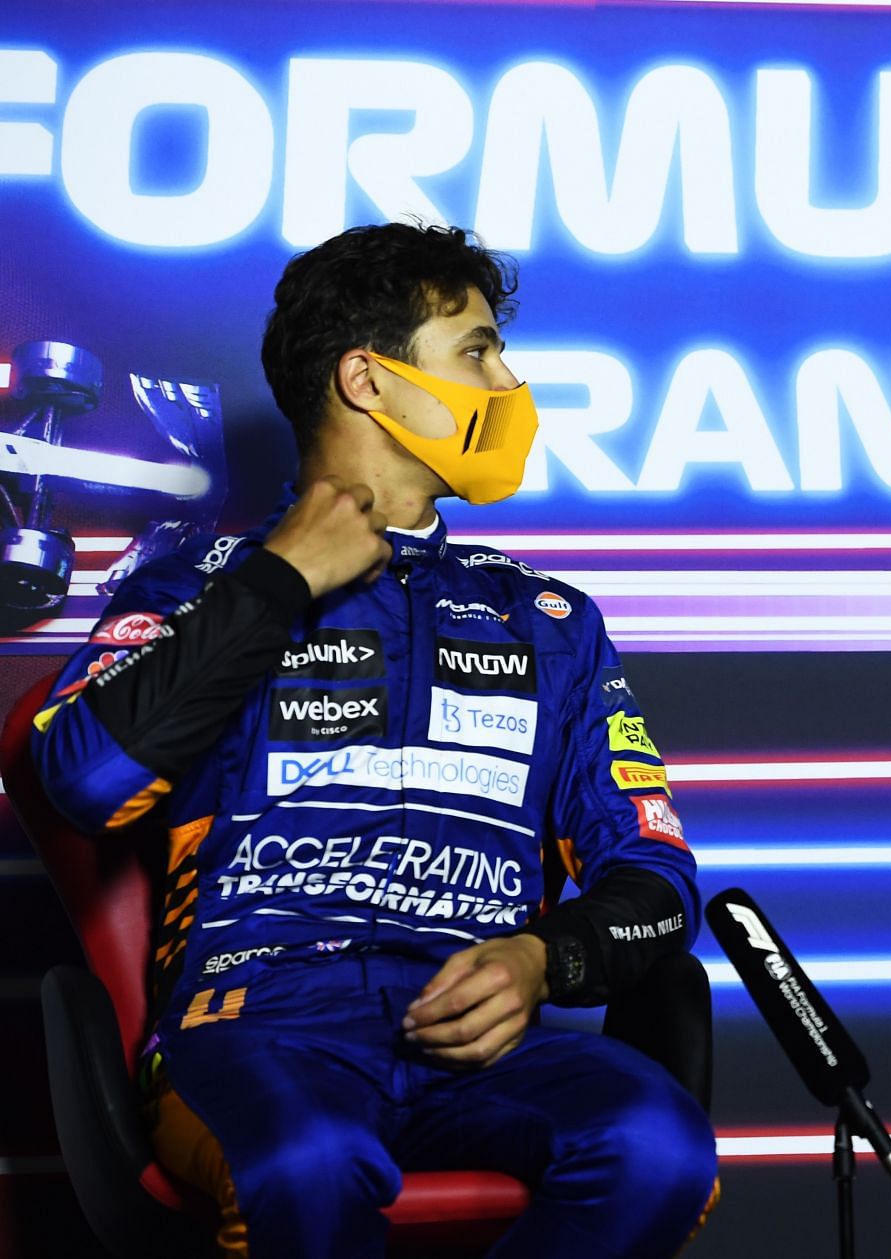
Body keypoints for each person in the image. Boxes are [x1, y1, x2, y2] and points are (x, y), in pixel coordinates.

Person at [31, 222, 718, 1258]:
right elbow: (80, 780)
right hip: (255, 1029)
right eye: (478, 351)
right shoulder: (193, 582)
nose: (510, 381)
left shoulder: (548, 619)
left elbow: (658, 875)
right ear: (369, 379)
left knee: (656, 1144)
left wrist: (547, 956)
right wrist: (278, 582)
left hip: (482, 1047)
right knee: (304, 1161)